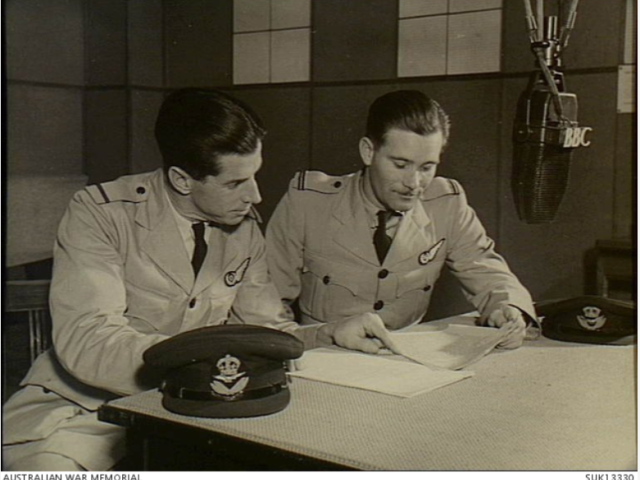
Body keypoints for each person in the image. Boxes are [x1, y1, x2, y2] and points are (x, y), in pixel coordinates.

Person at [2, 89, 396, 471]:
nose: (256, 196)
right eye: (235, 183)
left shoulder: (242, 227)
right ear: (182, 179)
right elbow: (89, 339)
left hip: (195, 404)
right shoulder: (101, 213)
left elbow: (264, 331)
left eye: (254, 176)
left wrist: (329, 334)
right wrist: (204, 363)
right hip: (80, 407)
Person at [266, 90, 537, 350]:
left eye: (427, 167)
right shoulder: (308, 203)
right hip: (324, 355)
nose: (414, 183)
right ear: (368, 152)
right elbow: (265, 309)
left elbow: (487, 270)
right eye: (400, 164)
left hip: (408, 363)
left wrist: (509, 310)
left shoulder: (447, 204)